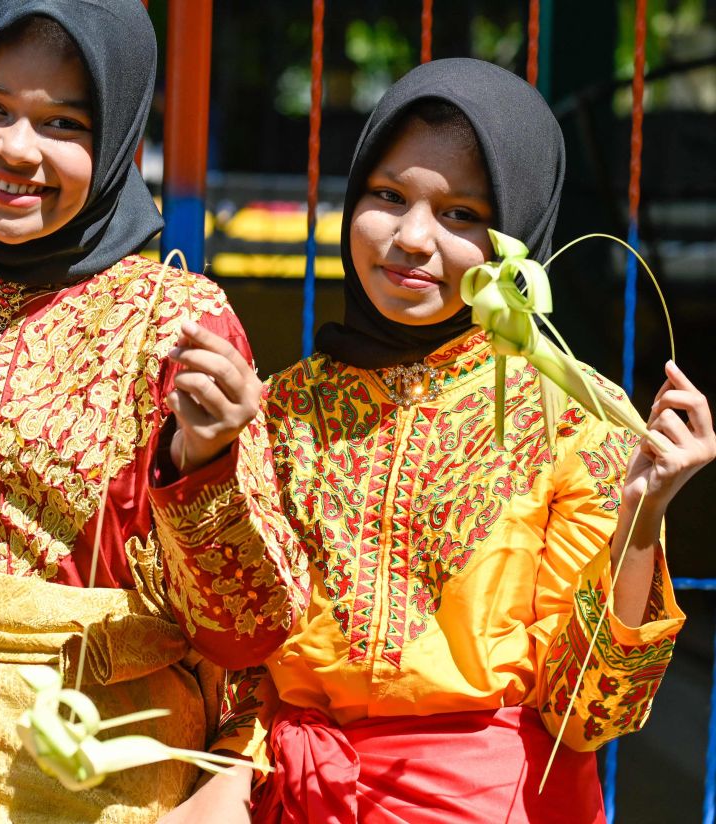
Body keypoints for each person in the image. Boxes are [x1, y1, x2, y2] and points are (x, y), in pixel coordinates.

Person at [164, 58, 714, 823]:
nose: (411, 239)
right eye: (387, 197)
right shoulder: (283, 408)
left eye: (462, 215)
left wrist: (641, 519)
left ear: (517, 242)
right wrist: (204, 460)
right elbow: (236, 654)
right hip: (297, 798)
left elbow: (592, 715)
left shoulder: (573, 419)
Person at [0, 2, 302, 821]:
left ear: (115, 145)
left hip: (90, 778)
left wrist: (202, 466)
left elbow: (250, 629)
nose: (14, 149)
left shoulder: (175, 324)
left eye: (62, 123)